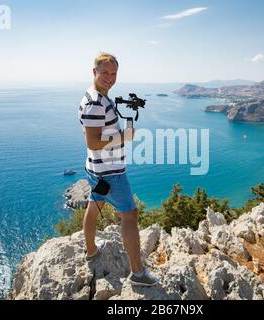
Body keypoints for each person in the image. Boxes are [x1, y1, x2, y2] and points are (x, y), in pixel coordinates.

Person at [78, 52, 158, 286]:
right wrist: (124, 136)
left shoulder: (97, 97)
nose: (110, 78)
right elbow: (92, 141)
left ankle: (92, 251)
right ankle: (138, 273)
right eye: (105, 73)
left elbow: (98, 133)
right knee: (130, 215)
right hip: (110, 172)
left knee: (95, 205)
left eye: (113, 74)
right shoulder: (95, 102)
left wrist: (125, 126)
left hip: (95, 168)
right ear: (94, 72)